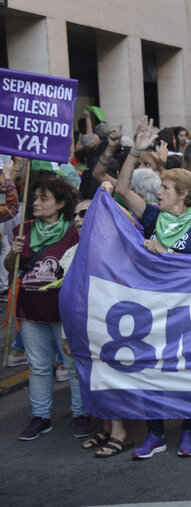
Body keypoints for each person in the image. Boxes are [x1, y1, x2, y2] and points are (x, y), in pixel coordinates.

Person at [116, 116, 191, 459]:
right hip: (152, 307)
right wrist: (135, 151)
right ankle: (155, 433)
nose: (158, 192)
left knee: (187, 371)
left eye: (165, 188)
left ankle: (188, 431)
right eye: (159, 187)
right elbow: (121, 189)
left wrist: (167, 252)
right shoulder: (152, 217)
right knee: (151, 369)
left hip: (189, 308)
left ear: (183, 195)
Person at [8, 170, 91, 442]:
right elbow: (12, 270)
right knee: (40, 366)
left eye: (44, 199)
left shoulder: (74, 231)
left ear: (60, 203)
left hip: (63, 313)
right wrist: (14, 252)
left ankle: (81, 414)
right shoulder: (23, 230)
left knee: (72, 363)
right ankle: (40, 417)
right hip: (31, 311)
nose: (36, 203)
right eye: (34, 198)